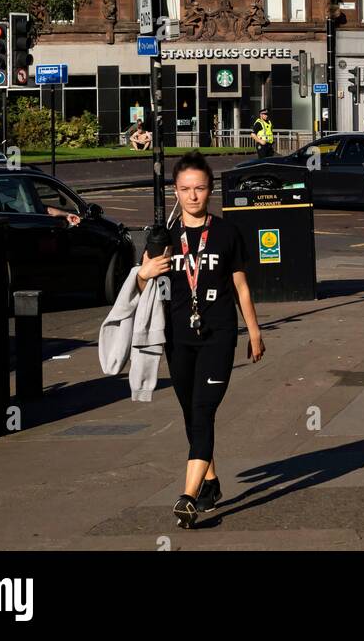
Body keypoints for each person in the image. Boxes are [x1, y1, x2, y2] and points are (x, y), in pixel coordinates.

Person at [137, 153, 265, 528]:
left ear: (211, 189)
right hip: (177, 338)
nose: (193, 196)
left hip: (218, 335)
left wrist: (254, 331)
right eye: (186, 189)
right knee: (191, 415)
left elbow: (241, 286)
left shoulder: (226, 233)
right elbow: (142, 286)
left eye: (200, 188)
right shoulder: (165, 238)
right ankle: (209, 484)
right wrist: (145, 271)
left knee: (204, 411)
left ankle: (188, 497)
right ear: (175, 192)